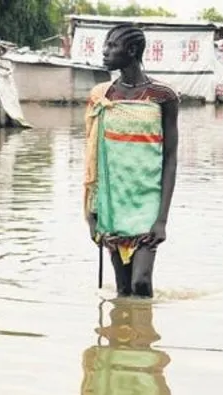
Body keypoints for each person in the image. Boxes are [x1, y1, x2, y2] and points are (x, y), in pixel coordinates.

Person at [83, 23, 179, 298]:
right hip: (113, 201)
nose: (105, 51)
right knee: (123, 288)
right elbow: (93, 157)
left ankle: (146, 337)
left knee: (140, 282)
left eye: (112, 46)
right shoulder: (103, 97)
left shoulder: (163, 97)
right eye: (106, 45)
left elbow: (170, 158)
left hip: (148, 200)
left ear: (133, 50)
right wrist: (93, 217)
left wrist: (162, 219)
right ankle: (124, 338)